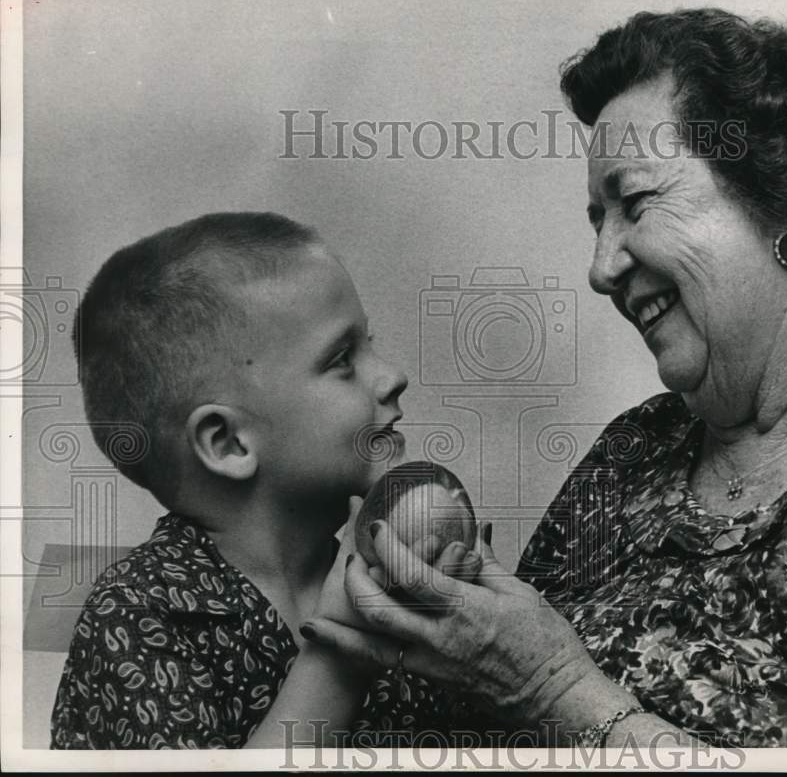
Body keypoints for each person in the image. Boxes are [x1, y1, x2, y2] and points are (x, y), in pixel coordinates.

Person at [304, 9, 787, 748]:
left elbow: (539, 683)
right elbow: (473, 719)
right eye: (598, 219)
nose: (601, 267)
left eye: (637, 201)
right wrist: (429, 611)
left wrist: (555, 686)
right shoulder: (638, 447)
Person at [50, 212, 479, 749]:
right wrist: (343, 651)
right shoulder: (138, 615)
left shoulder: (392, 572)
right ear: (228, 443)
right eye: (342, 359)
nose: (393, 377)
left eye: (371, 344)